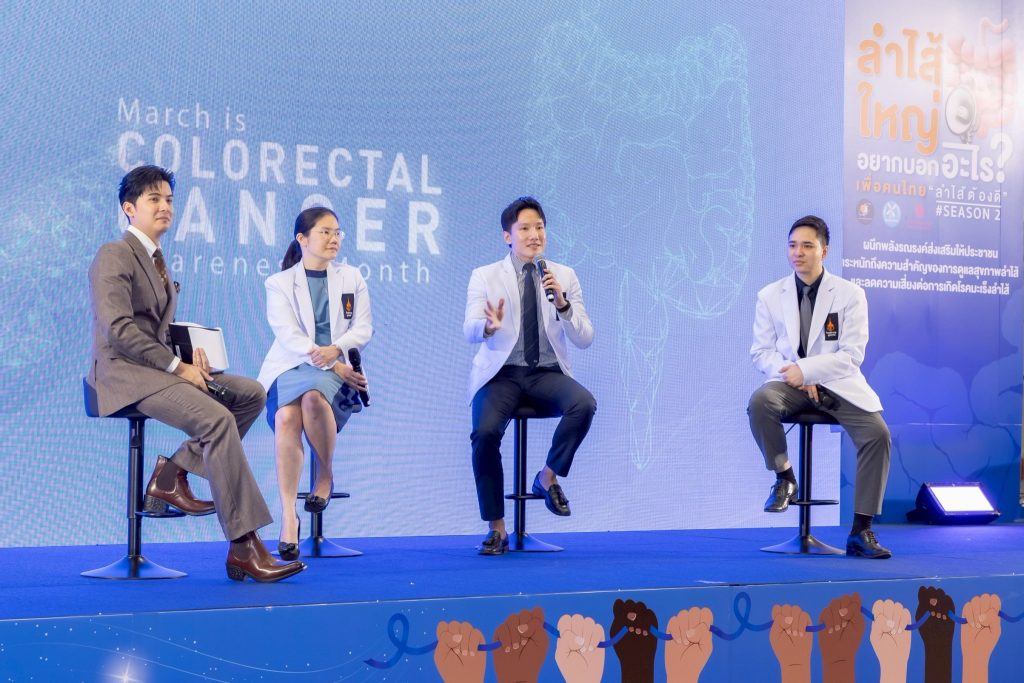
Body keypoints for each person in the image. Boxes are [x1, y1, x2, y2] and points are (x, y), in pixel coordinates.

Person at [88, 165, 305, 582]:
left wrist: (189, 358)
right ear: (129, 208)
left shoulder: (157, 260)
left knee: (250, 393)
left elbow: (155, 331)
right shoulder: (114, 254)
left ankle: (172, 474)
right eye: (154, 199)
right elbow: (118, 330)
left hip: (155, 369)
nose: (165, 207)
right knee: (217, 420)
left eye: (169, 199)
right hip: (122, 375)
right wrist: (176, 366)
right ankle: (244, 546)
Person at [748, 215, 892, 559]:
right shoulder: (770, 295)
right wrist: (795, 374)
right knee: (760, 402)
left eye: (807, 246)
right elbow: (761, 352)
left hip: (838, 384)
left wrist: (808, 371)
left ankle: (861, 531)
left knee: (877, 434)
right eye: (792, 245)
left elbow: (851, 355)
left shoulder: (850, 294)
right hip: (790, 385)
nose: (797, 253)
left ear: (823, 251)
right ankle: (785, 478)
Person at [464, 196, 596, 555]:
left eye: (539, 227)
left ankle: (547, 477)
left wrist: (563, 305)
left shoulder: (564, 276)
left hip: (545, 373)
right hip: (501, 374)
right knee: (485, 434)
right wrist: (488, 327)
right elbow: (469, 329)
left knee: (584, 404)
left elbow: (585, 338)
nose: (534, 235)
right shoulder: (485, 275)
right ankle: (497, 528)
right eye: (524, 228)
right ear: (508, 236)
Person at [257, 207, 371, 560]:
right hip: (291, 365)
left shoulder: (351, 277)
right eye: (325, 232)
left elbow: (363, 328)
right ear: (302, 239)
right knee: (285, 418)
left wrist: (337, 352)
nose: (334, 239)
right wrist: (331, 363)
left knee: (312, 399)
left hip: (333, 369)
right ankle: (288, 517)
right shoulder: (279, 283)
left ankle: (325, 474)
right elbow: (288, 335)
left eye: (337, 232)